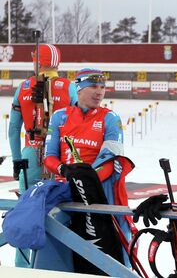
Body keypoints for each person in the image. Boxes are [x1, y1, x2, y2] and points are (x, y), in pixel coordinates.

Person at [43, 68, 136, 269]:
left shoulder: (110, 118)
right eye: (93, 86)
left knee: (111, 254)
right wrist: (64, 171)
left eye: (103, 87)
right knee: (63, 249)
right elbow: (49, 157)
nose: (99, 92)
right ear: (79, 88)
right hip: (65, 192)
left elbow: (110, 161)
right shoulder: (60, 116)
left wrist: (84, 181)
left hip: (100, 193)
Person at [8, 43, 77, 267]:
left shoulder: (24, 86)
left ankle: (23, 265)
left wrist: (18, 159)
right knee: (61, 212)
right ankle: (55, 264)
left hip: (30, 156)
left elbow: (12, 129)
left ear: (37, 60)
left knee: (26, 212)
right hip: (60, 158)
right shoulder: (69, 87)